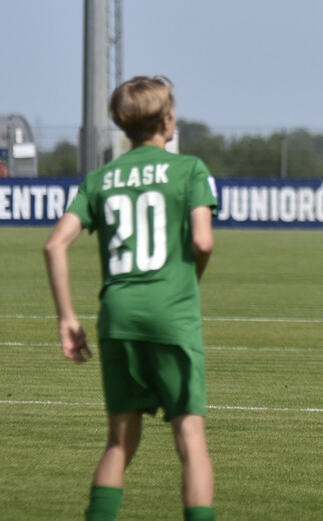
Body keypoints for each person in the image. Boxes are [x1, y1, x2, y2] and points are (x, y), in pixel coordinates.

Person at [43, 75, 218, 521]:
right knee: (190, 439)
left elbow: (54, 244)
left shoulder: (100, 178)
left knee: (119, 443)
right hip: (172, 313)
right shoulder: (191, 169)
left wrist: (67, 318)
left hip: (117, 316)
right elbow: (203, 242)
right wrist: (186, 283)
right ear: (167, 119)